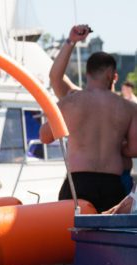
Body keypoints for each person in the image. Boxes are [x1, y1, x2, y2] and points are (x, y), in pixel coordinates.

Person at [40, 28, 137, 213]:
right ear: (111, 75)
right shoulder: (129, 108)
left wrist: (71, 41)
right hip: (112, 184)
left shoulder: (71, 101)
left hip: (78, 184)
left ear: (87, 73)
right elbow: (134, 149)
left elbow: (45, 137)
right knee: (109, 239)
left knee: (71, 237)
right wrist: (115, 144)